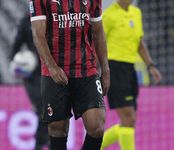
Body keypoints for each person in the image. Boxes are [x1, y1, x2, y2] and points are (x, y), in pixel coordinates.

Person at [30, 0, 110, 149]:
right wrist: (52, 67)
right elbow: (38, 34)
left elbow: (98, 32)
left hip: (86, 69)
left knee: (97, 126)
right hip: (55, 72)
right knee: (57, 129)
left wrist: (105, 70)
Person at [100, 0, 162, 150]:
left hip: (130, 69)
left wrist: (151, 66)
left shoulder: (136, 12)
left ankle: (91, 146)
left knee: (128, 121)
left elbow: (139, 43)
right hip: (114, 68)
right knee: (128, 117)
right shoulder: (108, 16)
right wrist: (97, 70)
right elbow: (98, 43)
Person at [10, 14, 49, 150]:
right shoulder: (26, 21)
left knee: (51, 111)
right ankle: (46, 143)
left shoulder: (55, 19)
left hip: (52, 73)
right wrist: (16, 65)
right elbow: (15, 47)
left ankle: (40, 144)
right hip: (33, 76)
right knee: (44, 110)